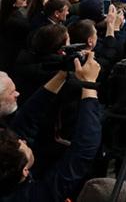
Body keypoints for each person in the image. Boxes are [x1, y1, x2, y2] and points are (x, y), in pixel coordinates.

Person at [0, 56, 102, 201]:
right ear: (24, 171)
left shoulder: (8, 164)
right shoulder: (34, 197)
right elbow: (82, 151)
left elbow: (26, 120)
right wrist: (89, 85)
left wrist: (62, 74)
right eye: (23, 144)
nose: (23, 139)